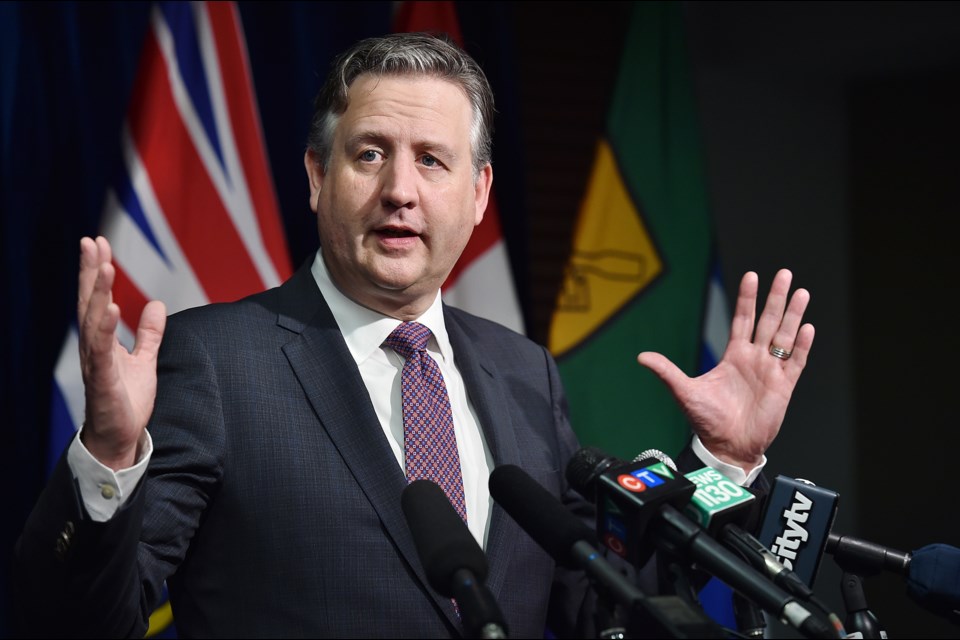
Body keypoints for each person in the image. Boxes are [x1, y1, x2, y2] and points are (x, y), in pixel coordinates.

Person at [14, 32, 814, 638]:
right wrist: (109, 459)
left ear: (478, 194)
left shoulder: (522, 371)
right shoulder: (219, 361)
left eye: (433, 160)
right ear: (318, 177)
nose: (400, 190)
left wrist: (722, 463)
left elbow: (591, 607)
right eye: (371, 154)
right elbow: (81, 620)